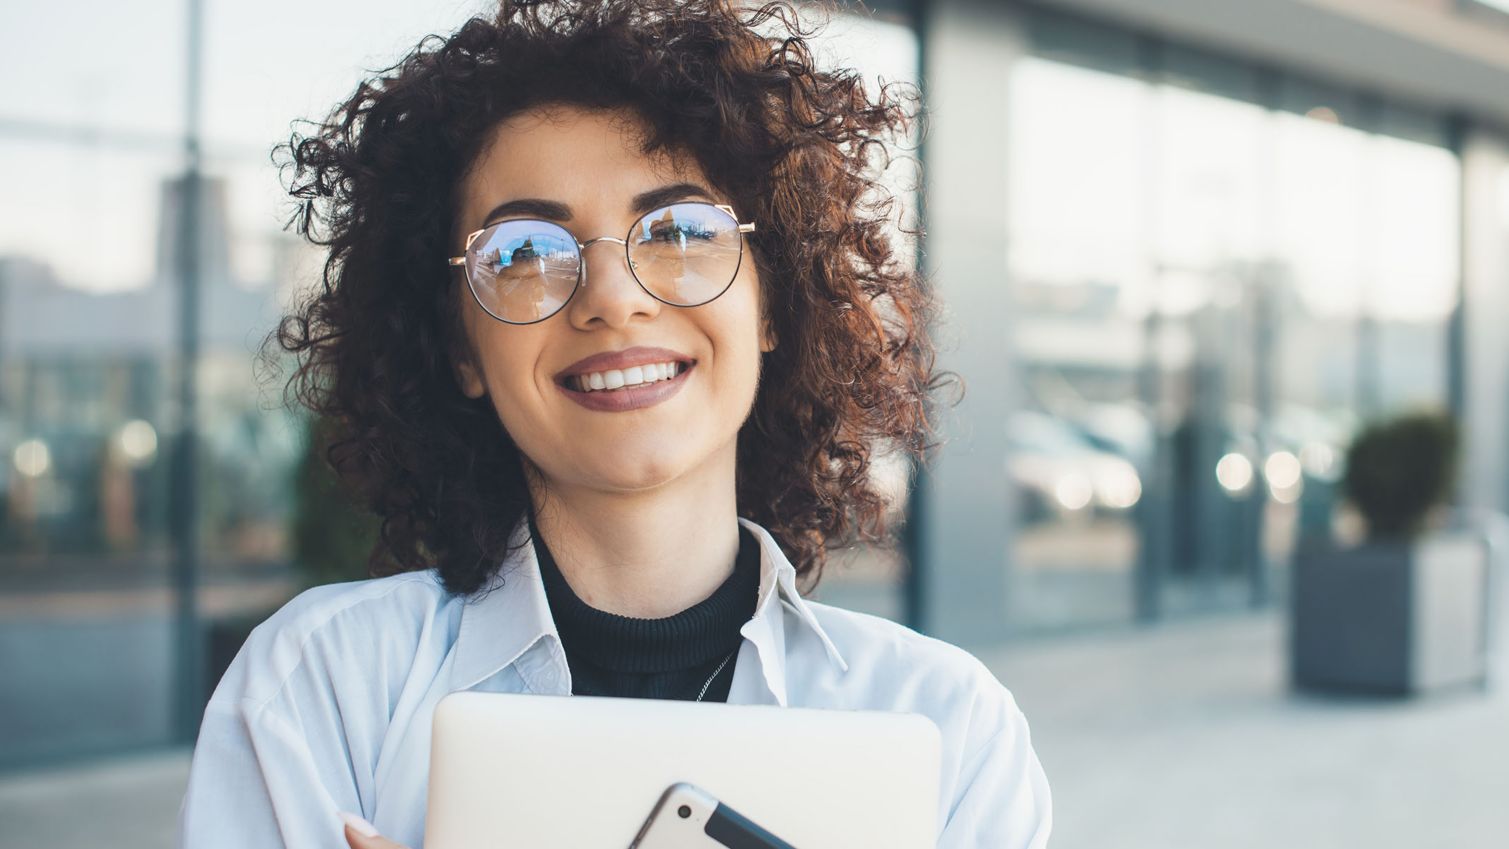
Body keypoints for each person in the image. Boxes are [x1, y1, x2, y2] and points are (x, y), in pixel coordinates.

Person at [176, 1, 1053, 847]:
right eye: (524, 253)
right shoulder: (322, 688)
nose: (613, 299)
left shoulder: (945, 728)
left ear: (771, 303)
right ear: (461, 348)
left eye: (676, 232)